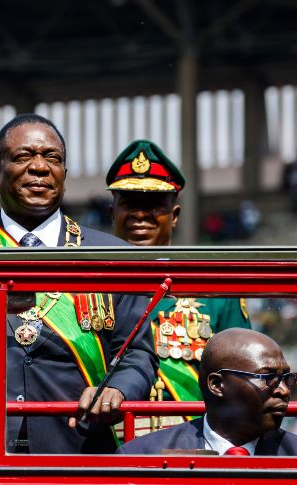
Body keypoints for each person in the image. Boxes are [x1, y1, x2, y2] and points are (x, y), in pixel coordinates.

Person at [0, 114, 158, 454]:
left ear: (64, 175)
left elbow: (137, 354)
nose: (40, 167)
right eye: (23, 156)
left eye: (53, 158)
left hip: (78, 447)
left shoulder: (111, 256)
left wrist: (118, 390)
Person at [106, 140, 250, 434]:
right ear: (113, 213)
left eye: (153, 205)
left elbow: (243, 379)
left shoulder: (215, 289)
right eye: (129, 204)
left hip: (190, 447)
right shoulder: (85, 287)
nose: (140, 215)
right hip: (106, 445)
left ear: (174, 215)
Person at [116, 328, 297, 456]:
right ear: (217, 385)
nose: (283, 391)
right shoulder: (144, 456)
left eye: (286, 378)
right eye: (268, 378)